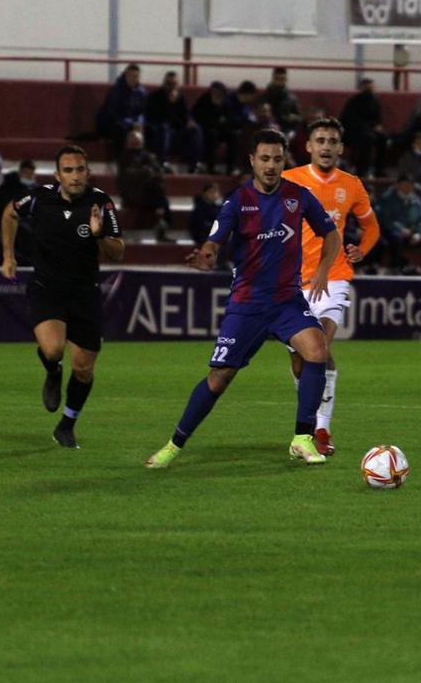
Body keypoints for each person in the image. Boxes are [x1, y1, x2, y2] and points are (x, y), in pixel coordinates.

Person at [145, 129, 339, 469]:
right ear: (252, 160)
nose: (271, 166)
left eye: (278, 159)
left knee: (317, 349)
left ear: (284, 161)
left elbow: (331, 235)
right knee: (219, 378)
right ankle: (174, 444)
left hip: (286, 301)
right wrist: (206, 257)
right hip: (247, 304)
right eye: (264, 159)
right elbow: (213, 243)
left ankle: (302, 437)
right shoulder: (238, 201)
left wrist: (323, 268)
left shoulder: (300, 197)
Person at [0, 146, 125, 449]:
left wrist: (98, 235)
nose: (75, 176)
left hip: (85, 293)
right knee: (53, 349)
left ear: (88, 172)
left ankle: (66, 426)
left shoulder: (101, 203)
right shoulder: (40, 198)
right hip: (47, 288)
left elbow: (118, 251)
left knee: (83, 368)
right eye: (68, 170)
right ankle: (52, 371)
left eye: (80, 169)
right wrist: (8, 255)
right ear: (57, 175)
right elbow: (9, 213)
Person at [281, 118, 380, 455]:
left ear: (340, 147)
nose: (326, 146)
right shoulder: (289, 180)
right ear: (308, 146)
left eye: (332, 140)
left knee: (319, 343)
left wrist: (361, 250)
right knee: (300, 358)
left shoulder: (351, 185)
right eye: (320, 140)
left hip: (333, 277)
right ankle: (308, 424)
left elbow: (372, 228)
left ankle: (320, 430)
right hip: (292, 283)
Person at [375, 174, 421, 275]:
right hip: (394, 232)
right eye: (404, 185)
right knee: (396, 238)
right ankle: (395, 267)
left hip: (413, 233)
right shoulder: (388, 199)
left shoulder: (416, 200)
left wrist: (419, 233)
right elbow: (386, 219)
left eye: (409, 185)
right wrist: (400, 229)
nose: (407, 188)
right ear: (398, 185)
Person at [116, 129, 170, 239]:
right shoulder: (124, 157)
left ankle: (162, 222)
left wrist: (146, 173)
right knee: (158, 194)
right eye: (133, 140)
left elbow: (158, 173)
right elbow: (127, 175)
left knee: (159, 191)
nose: (136, 143)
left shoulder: (148, 156)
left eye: (138, 140)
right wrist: (146, 172)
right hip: (132, 192)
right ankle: (160, 219)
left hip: (149, 191)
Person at [144, 71, 203, 170]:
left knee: (195, 129)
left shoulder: (180, 98)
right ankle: (162, 162)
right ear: (164, 84)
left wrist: (189, 122)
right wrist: (169, 105)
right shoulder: (155, 97)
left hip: (177, 131)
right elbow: (153, 118)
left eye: (174, 84)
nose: (171, 87)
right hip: (159, 132)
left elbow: (185, 117)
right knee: (164, 128)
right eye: (169, 84)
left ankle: (194, 164)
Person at [339, 77, 387, 178]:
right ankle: (362, 170)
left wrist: (377, 126)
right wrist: (370, 127)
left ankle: (379, 169)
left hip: (369, 130)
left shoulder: (375, 101)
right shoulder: (354, 102)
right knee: (368, 139)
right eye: (367, 87)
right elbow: (350, 121)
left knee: (383, 138)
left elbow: (377, 118)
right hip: (352, 132)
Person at [96, 64, 147, 150]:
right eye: (130, 76)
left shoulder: (142, 92)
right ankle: (121, 160)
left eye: (135, 76)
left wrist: (139, 122)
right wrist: (131, 123)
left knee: (149, 130)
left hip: (134, 124)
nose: (133, 79)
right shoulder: (117, 91)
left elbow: (143, 111)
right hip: (115, 123)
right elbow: (113, 113)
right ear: (126, 76)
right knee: (120, 130)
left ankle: (141, 159)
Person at [190, 81, 232, 175]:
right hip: (206, 131)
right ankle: (210, 167)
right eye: (214, 92)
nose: (216, 95)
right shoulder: (203, 101)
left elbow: (229, 121)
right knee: (211, 135)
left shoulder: (227, 104)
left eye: (219, 93)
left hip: (222, 132)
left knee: (233, 137)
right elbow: (196, 117)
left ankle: (231, 168)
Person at [262, 67, 302, 137]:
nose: (279, 81)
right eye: (277, 79)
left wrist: (293, 118)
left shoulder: (291, 99)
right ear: (273, 79)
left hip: (286, 131)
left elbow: (299, 118)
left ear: (286, 80)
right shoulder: (265, 97)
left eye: (282, 79)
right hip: (268, 130)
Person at [188, 182, 222, 247]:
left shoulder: (219, 208)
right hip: (203, 236)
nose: (214, 195)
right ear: (205, 193)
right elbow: (196, 227)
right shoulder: (199, 208)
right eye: (211, 192)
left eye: (216, 192)